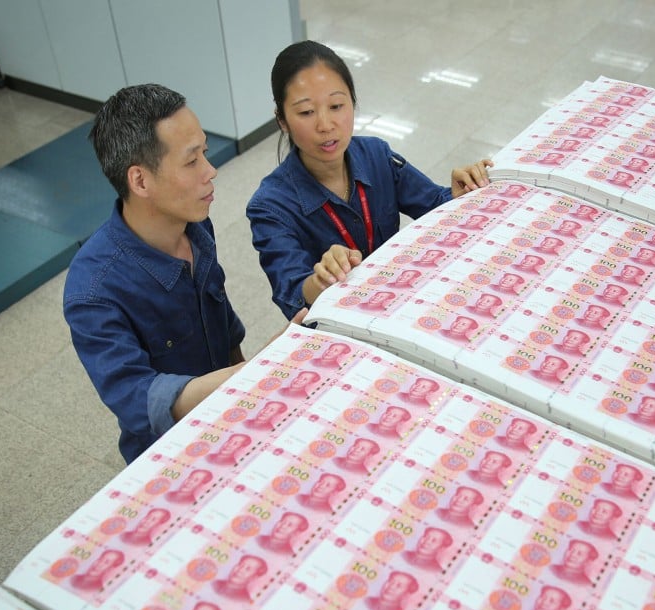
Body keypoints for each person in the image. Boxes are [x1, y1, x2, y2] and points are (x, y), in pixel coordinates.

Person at [63, 84, 272, 465]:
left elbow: (222, 323)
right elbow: (138, 400)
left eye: (205, 153)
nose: (211, 172)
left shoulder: (194, 227)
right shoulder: (93, 291)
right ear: (140, 181)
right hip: (170, 456)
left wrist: (250, 394)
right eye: (192, 162)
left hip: (231, 414)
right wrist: (254, 375)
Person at [248, 41, 492, 319]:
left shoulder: (377, 155)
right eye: (306, 112)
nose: (325, 125)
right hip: (341, 327)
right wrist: (320, 279)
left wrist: (459, 193)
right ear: (282, 120)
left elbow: (435, 203)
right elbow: (291, 291)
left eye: (337, 105)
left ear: (352, 102)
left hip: (403, 302)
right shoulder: (270, 206)